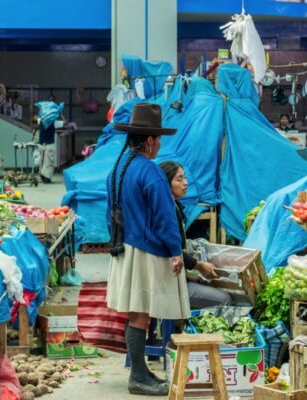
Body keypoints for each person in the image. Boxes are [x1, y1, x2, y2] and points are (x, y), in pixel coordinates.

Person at [106, 103, 185, 396]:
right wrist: (176, 250)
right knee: (140, 316)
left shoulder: (117, 169)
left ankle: (140, 371)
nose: (159, 145)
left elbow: (109, 214)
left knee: (135, 314)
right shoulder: (149, 171)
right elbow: (165, 217)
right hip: (144, 251)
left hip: (123, 248)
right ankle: (138, 376)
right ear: (150, 141)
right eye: (158, 139)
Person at [159, 161, 233, 308]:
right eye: (179, 179)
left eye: (185, 178)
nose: (185, 183)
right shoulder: (167, 210)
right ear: (167, 183)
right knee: (225, 299)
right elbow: (172, 249)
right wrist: (199, 265)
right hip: (171, 283)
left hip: (177, 276)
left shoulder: (174, 205)